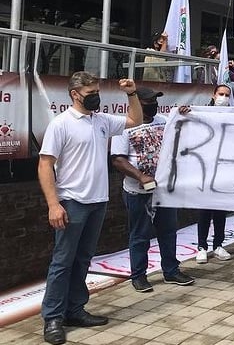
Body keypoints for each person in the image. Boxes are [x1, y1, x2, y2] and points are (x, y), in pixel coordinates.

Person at [38, 71, 143, 345]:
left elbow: (135, 120)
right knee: (62, 261)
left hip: (98, 201)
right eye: (90, 93)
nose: (96, 97)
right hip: (72, 202)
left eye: (97, 91)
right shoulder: (61, 124)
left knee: (83, 259)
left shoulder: (103, 121)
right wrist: (53, 204)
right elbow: (45, 164)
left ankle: (75, 310)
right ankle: (53, 317)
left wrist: (131, 94)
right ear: (75, 94)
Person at [110, 88, 195, 292]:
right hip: (137, 192)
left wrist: (184, 115)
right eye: (148, 102)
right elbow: (118, 160)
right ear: (136, 103)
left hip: (163, 191)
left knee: (168, 231)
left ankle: (171, 271)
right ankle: (139, 276)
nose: (153, 105)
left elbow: (182, 134)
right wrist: (140, 176)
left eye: (154, 101)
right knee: (140, 234)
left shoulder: (164, 121)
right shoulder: (124, 127)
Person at [195, 84, 234, 264]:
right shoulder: (201, 113)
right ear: (213, 95)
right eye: (221, 94)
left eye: (227, 95)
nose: (223, 98)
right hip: (205, 169)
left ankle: (218, 244)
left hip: (224, 170)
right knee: (204, 211)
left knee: (220, 211)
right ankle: (202, 247)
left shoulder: (233, 115)